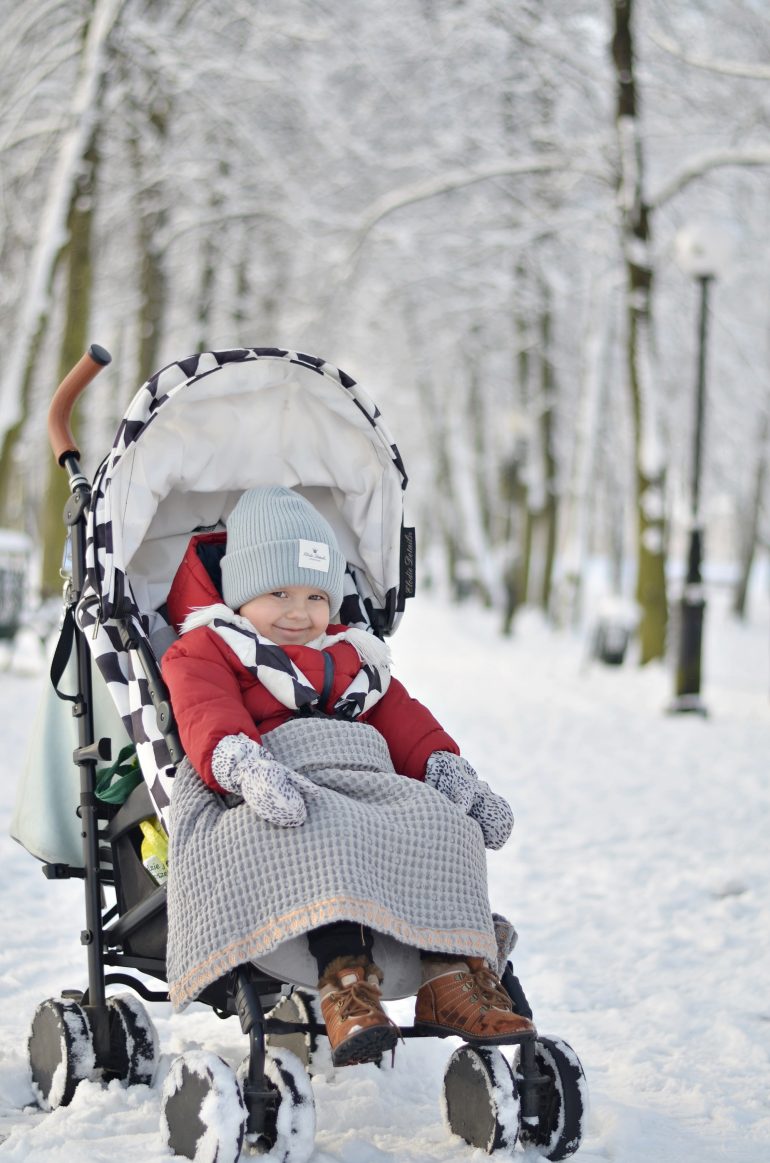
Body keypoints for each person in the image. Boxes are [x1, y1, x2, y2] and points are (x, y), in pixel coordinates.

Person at [161, 485, 534, 1066]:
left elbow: (403, 720)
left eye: (316, 596)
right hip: (277, 779)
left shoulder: (353, 657)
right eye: (278, 593)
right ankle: (345, 983)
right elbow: (207, 713)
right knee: (328, 829)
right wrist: (246, 766)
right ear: (239, 593)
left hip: (365, 775)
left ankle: (450, 977)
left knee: (444, 825)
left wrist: (447, 772)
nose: (298, 612)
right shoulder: (210, 648)